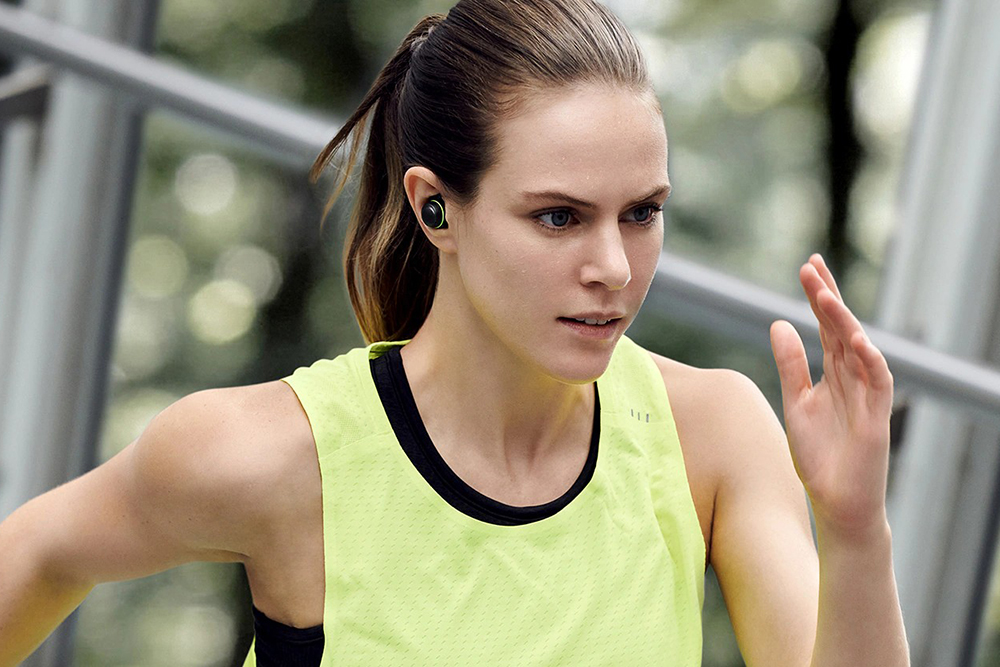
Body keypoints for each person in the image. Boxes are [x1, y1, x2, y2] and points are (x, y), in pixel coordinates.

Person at [0, 0, 910, 665]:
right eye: (558, 217)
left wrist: (854, 527)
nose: (614, 266)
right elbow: (39, 551)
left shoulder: (710, 433)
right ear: (436, 207)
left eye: (641, 212)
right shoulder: (275, 456)